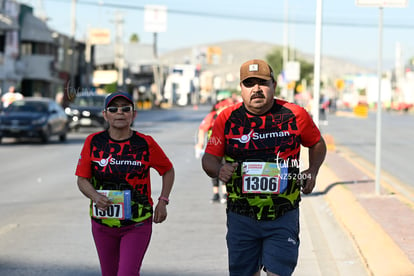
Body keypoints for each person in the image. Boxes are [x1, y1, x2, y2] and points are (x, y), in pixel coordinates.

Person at [202, 59, 327, 276]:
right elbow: (209, 159)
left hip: (283, 214)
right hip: (241, 216)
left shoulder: (295, 114)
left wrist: (312, 170)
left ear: (273, 86)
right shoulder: (227, 118)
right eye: (249, 83)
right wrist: (218, 170)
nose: (257, 89)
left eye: (263, 83)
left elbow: (317, 143)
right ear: (241, 88)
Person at [75, 91, 175, 276]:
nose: (119, 112)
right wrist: (95, 196)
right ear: (105, 115)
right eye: (113, 109)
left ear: (133, 114)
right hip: (103, 222)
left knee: (127, 273)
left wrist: (163, 200)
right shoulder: (94, 142)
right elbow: (82, 179)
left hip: (137, 223)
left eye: (125, 109)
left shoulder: (145, 143)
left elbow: (167, 170)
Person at [195, 98, 235, 203]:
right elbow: (202, 129)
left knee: (226, 169)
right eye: (226, 107)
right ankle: (216, 194)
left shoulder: (231, 117)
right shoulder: (212, 117)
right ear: (220, 107)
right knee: (214, 170)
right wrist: (200, 143)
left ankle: (225, 194)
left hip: (227, 149)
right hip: (214, 148)